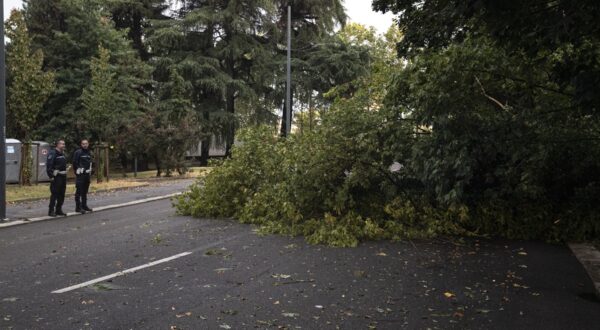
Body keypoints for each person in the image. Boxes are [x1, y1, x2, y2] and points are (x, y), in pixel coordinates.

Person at [47, 140, 68, 217]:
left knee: (62, 194)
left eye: (64, 144)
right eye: (62, 144)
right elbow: (49, 166)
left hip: (63, 176)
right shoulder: (53, 153)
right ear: (58, 145)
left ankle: (59, 210)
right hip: (56, 177)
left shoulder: (62, 154)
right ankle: (51, 210)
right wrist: (51, 176)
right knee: (55, 194)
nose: (63, 145)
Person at [73, 139, 93, 213]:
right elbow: (75, 163)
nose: (85, 145)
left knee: (85, 191)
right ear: (81, 144)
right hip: (80, 175)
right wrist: (77, 171)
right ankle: (78, 207)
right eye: (83, 144)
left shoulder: (89, 152)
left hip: (87, 175)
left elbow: (90, 163)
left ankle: (84, 206)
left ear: (88, 144)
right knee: (79, 191)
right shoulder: (78, 152)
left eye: (86, 143)